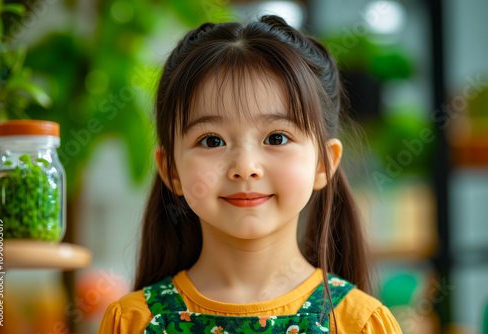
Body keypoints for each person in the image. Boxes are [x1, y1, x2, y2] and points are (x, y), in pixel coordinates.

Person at [98, 15, 402, 333]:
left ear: (323, 163)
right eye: (212, 140)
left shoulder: (362, 324)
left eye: (277, 138)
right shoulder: (131, 322)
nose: (245, 167)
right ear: (171, 169)